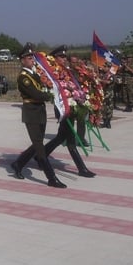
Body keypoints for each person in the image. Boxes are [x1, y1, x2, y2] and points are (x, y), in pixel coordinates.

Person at [10, 43, 66, 189]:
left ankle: (18, 164)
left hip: (39, 112)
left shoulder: (34, 74)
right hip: (32, 114)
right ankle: (51, 178)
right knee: (40, 148)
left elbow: (43, 86)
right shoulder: (24, 78)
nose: (31, 59)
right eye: (28, 58)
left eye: (32, 57)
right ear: (22, 60)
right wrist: (50, 94)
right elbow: (36, 94)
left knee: (38, 143)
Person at [42, 45, 95, 178]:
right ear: (54, 58)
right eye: (61, 56)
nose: (64, 59)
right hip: (63, 108)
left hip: (72, 106)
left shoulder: (67, 70)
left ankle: (40, 155)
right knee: (70, 138)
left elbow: (74, 84)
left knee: (61, 137)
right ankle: (81, 168)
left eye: (65, 56)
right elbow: (53, 87)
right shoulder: (52, 71)